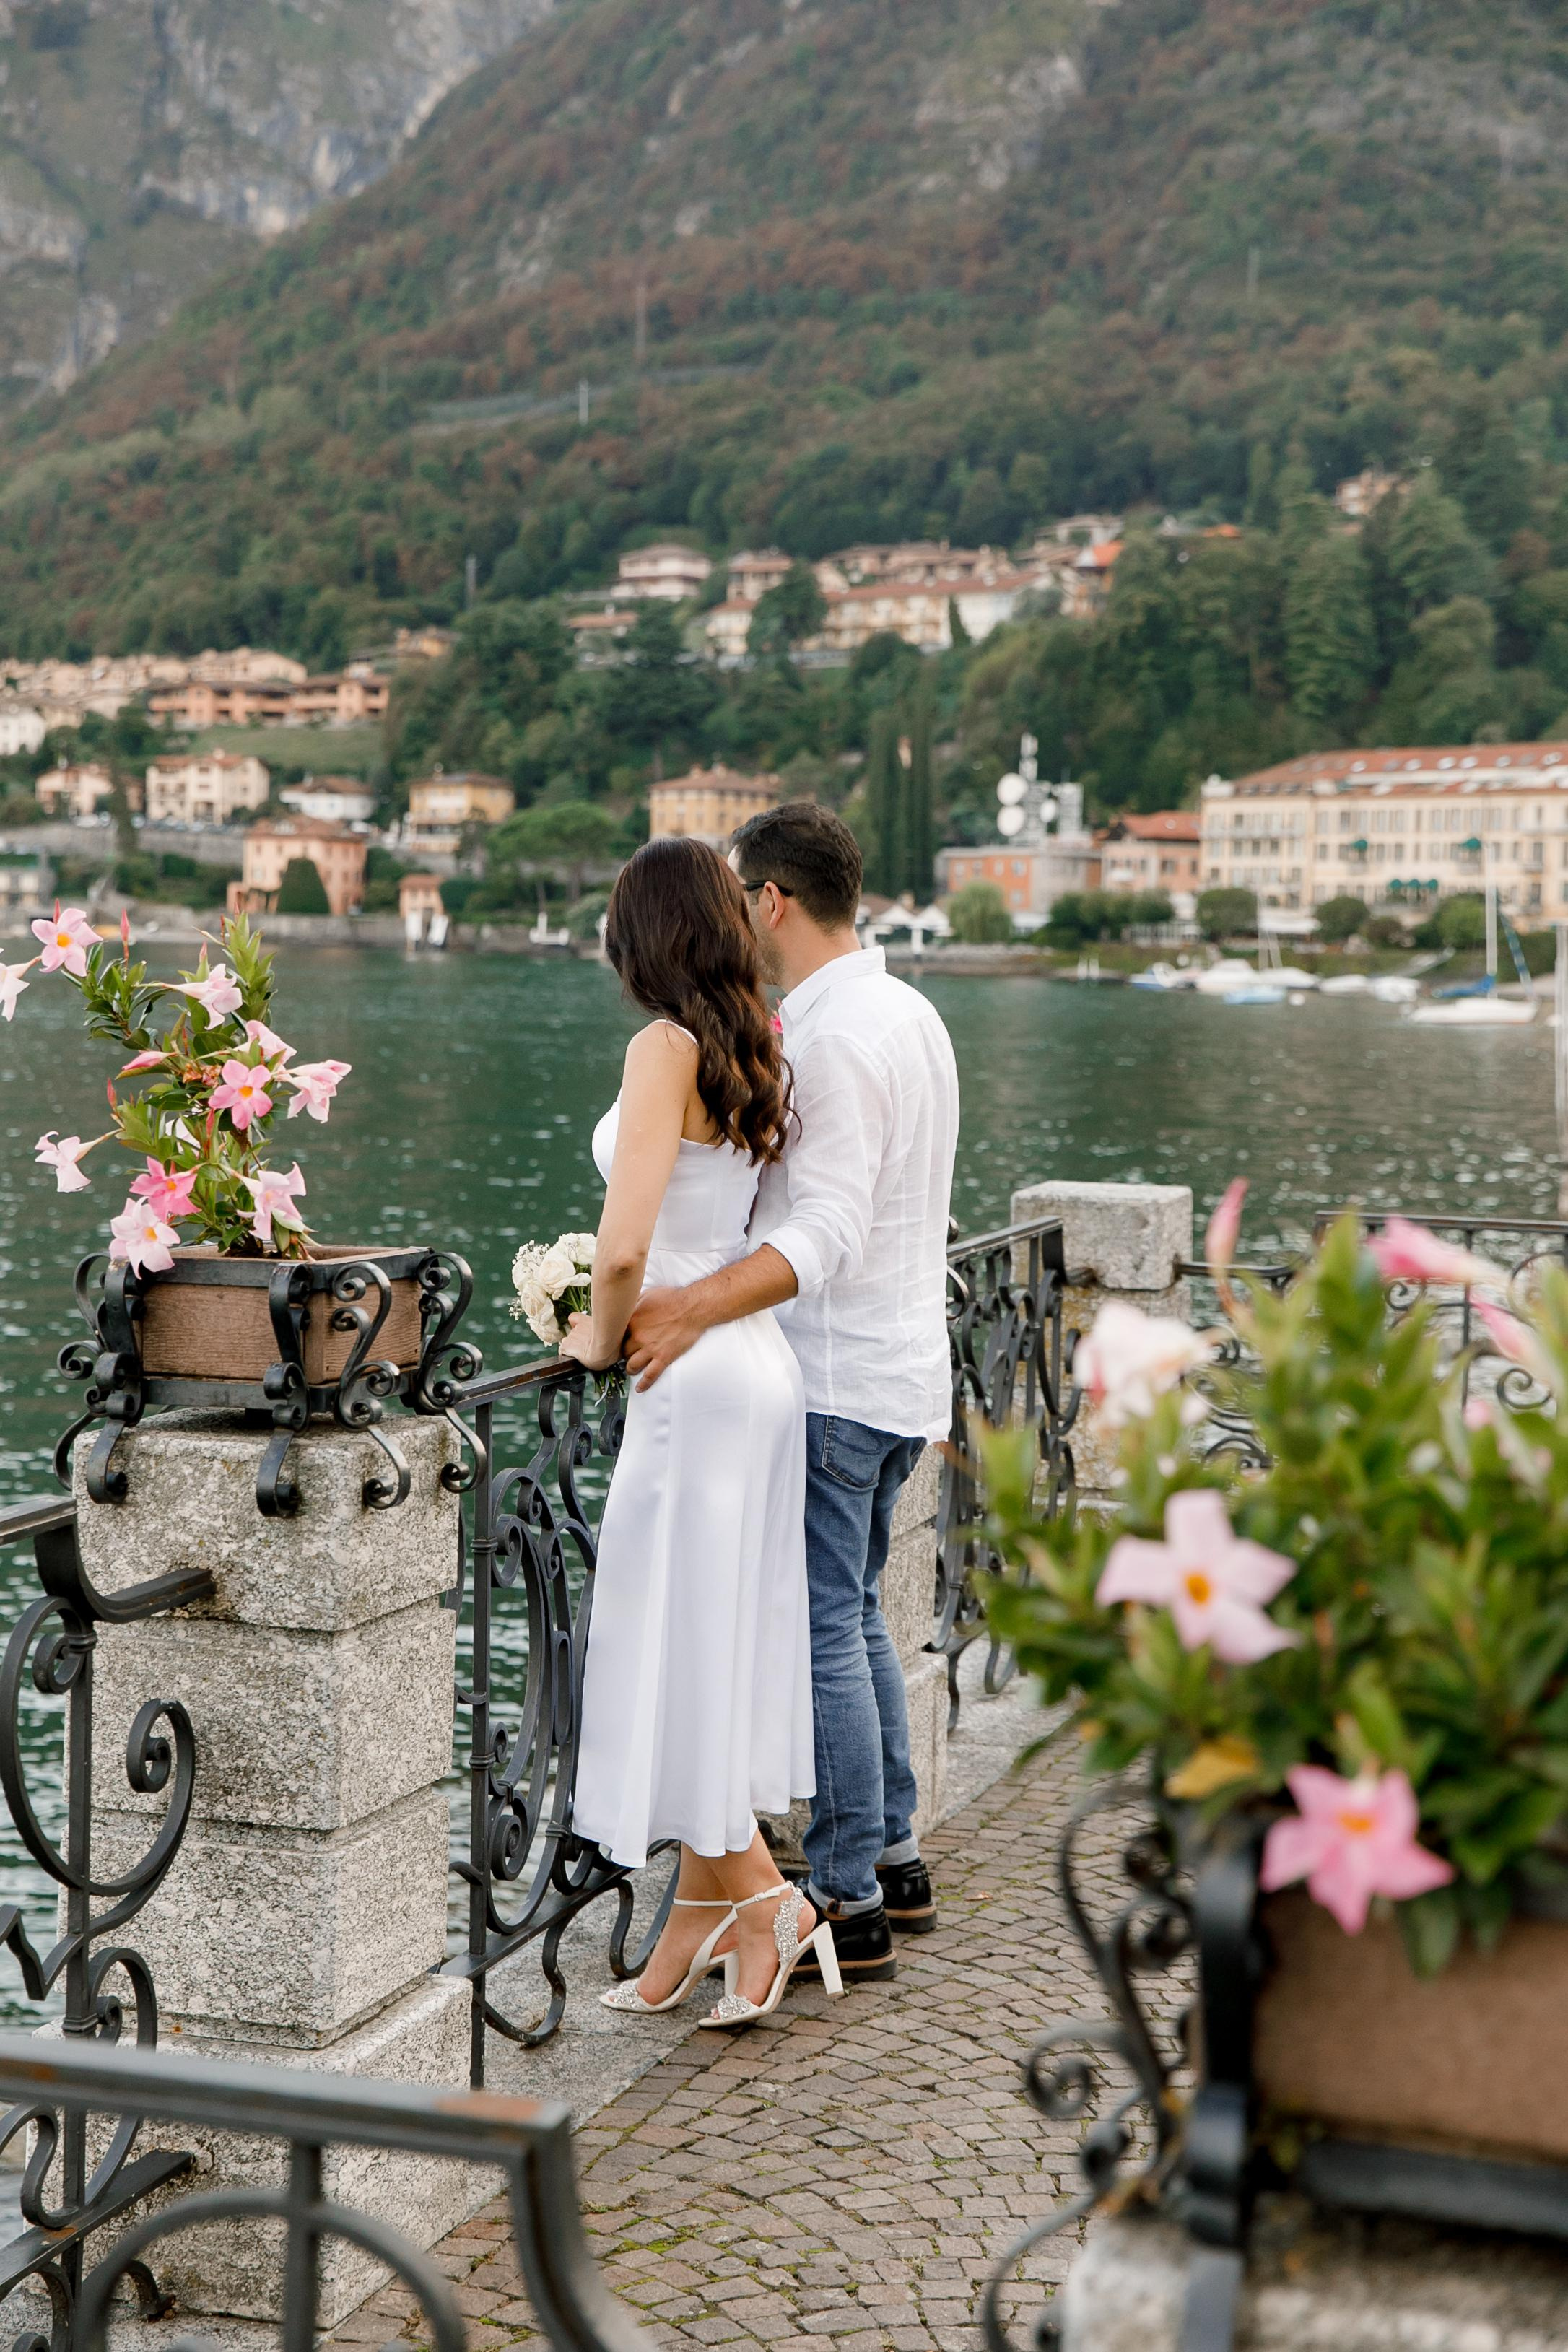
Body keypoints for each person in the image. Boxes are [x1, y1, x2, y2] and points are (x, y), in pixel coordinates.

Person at [625, 802, 959, 1982]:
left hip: (830, 1369)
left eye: (739, 896)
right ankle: (897, 1853)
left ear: (769, 901)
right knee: (857, 1612)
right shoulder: (911, 1010)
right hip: (907, 1366)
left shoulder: (831, 1038)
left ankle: (849, 1892)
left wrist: (687, 1304)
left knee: (825, 1621)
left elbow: (826, 1228)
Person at [564, 837, 840, 2029]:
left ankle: (771, 1901)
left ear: (646, 934)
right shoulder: (754, 1045)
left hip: (689, 1370)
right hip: (755, 1366)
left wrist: (590, 1335)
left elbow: (627, 1246)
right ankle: (698, 1913)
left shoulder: (660, 1045)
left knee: (667, 1642)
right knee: (717, 1642)